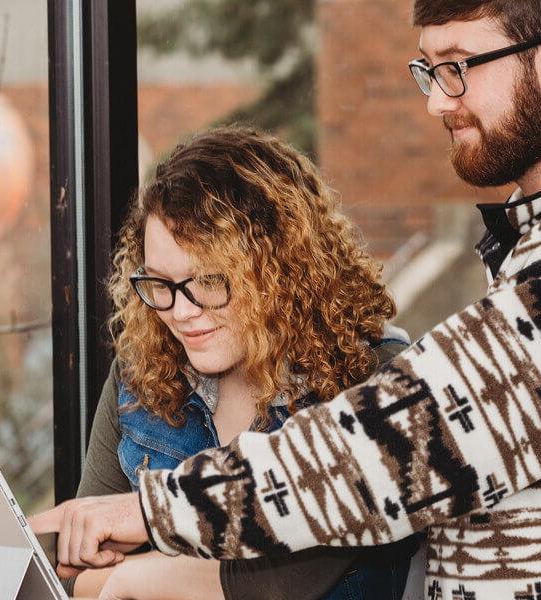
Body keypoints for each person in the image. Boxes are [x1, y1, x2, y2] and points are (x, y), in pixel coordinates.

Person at [31, 2, 541, 599]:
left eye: (457, 68)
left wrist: (150, 510)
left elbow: (391, 447)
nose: (437, 99)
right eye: (428, 71)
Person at [71, 126, 420, 600]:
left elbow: (285, 580)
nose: (180, 311)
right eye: (160, 283)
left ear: (282, 270)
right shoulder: (141, 377)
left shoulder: (375, 380)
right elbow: (74, 575)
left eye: (209, 281)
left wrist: (137, 574)